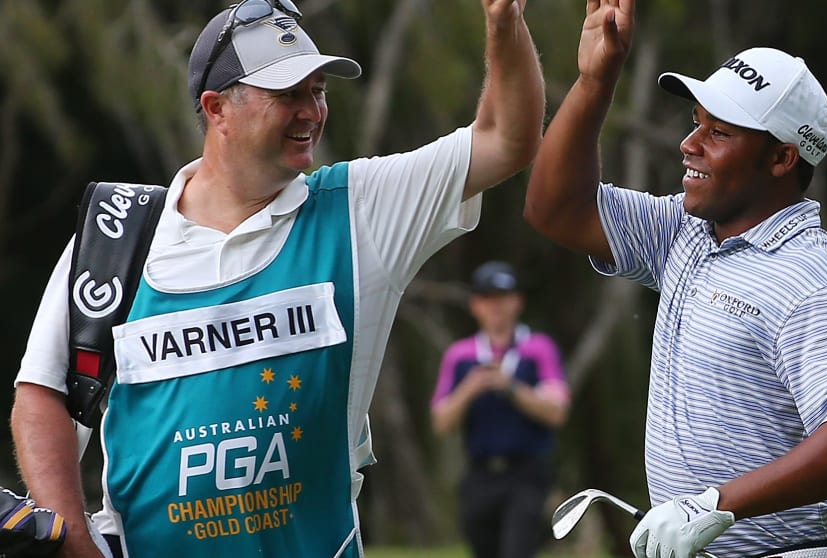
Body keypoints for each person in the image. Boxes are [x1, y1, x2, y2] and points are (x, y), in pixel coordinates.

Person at [9, 0, 544, 556]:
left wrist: (504, 23)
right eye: (288, 94)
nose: (312, 111)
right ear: (217, 109)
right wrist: (72, 539)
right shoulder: (116, 237)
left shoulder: (358, 207)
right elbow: (44, 393)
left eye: (318, 91)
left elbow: (507, 139)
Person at [523, 1, 827, 557]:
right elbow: (555, 209)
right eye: (695, 123)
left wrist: (716, 504)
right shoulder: (686, 232)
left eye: (719, 132)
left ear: (781, 157)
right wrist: (594, 80)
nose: (690, 144)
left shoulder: (818, 283)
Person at [430, 261, 570, 558]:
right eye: (487, 299)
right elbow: (442, 424)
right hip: (479, 475)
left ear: (517, 302)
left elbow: (556, 412)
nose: (495, 307)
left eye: (502, 298)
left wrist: (511, 388)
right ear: (475, 305)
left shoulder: (537, 348)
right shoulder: (461, 356)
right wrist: (470, 388)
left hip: (527, 474)